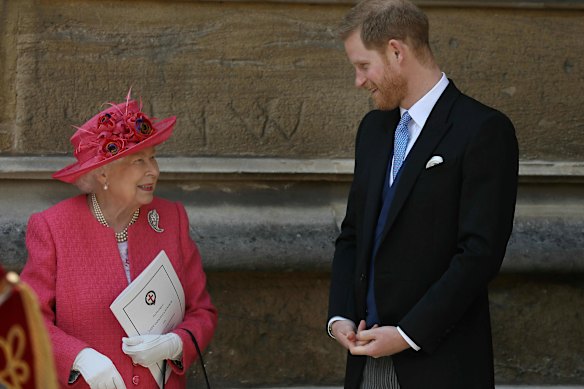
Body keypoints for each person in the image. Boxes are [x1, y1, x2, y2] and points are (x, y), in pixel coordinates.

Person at [326, 0, 519, 388]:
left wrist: (407, 334)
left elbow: (479, 254)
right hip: (365, 366)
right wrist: (340, 317)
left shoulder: (483, 131)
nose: (358, 81)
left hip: (440, 364)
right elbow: (353, 234)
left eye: (363, 66)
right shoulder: (373, 130)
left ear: (397, 51)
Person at [20, 91, 218, 389]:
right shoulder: (53, 228)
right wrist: (78, 358)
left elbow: (202, 312)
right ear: (103, 173)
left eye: (153, 158)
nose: (154, 171)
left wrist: (175, 345)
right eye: (138, 160)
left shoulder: (171, 219)